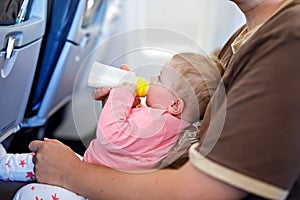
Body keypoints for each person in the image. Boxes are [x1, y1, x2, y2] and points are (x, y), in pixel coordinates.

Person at [13, 0, 300, 199]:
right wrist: (132, 118)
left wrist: (72, 173)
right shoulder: (247, 35)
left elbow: (199, 193)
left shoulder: (287, 39)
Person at [1, 53, 222, 198]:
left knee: (30, 193)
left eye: (161, 79)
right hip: (96, 168)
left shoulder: (158, 122)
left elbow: (111, 136)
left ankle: (6, 167)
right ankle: (5, 165)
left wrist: (121, 95)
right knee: (46, 157)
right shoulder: (169, 125)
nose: (153, 78)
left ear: (174, 105)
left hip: (93, 187)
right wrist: (129, 106)